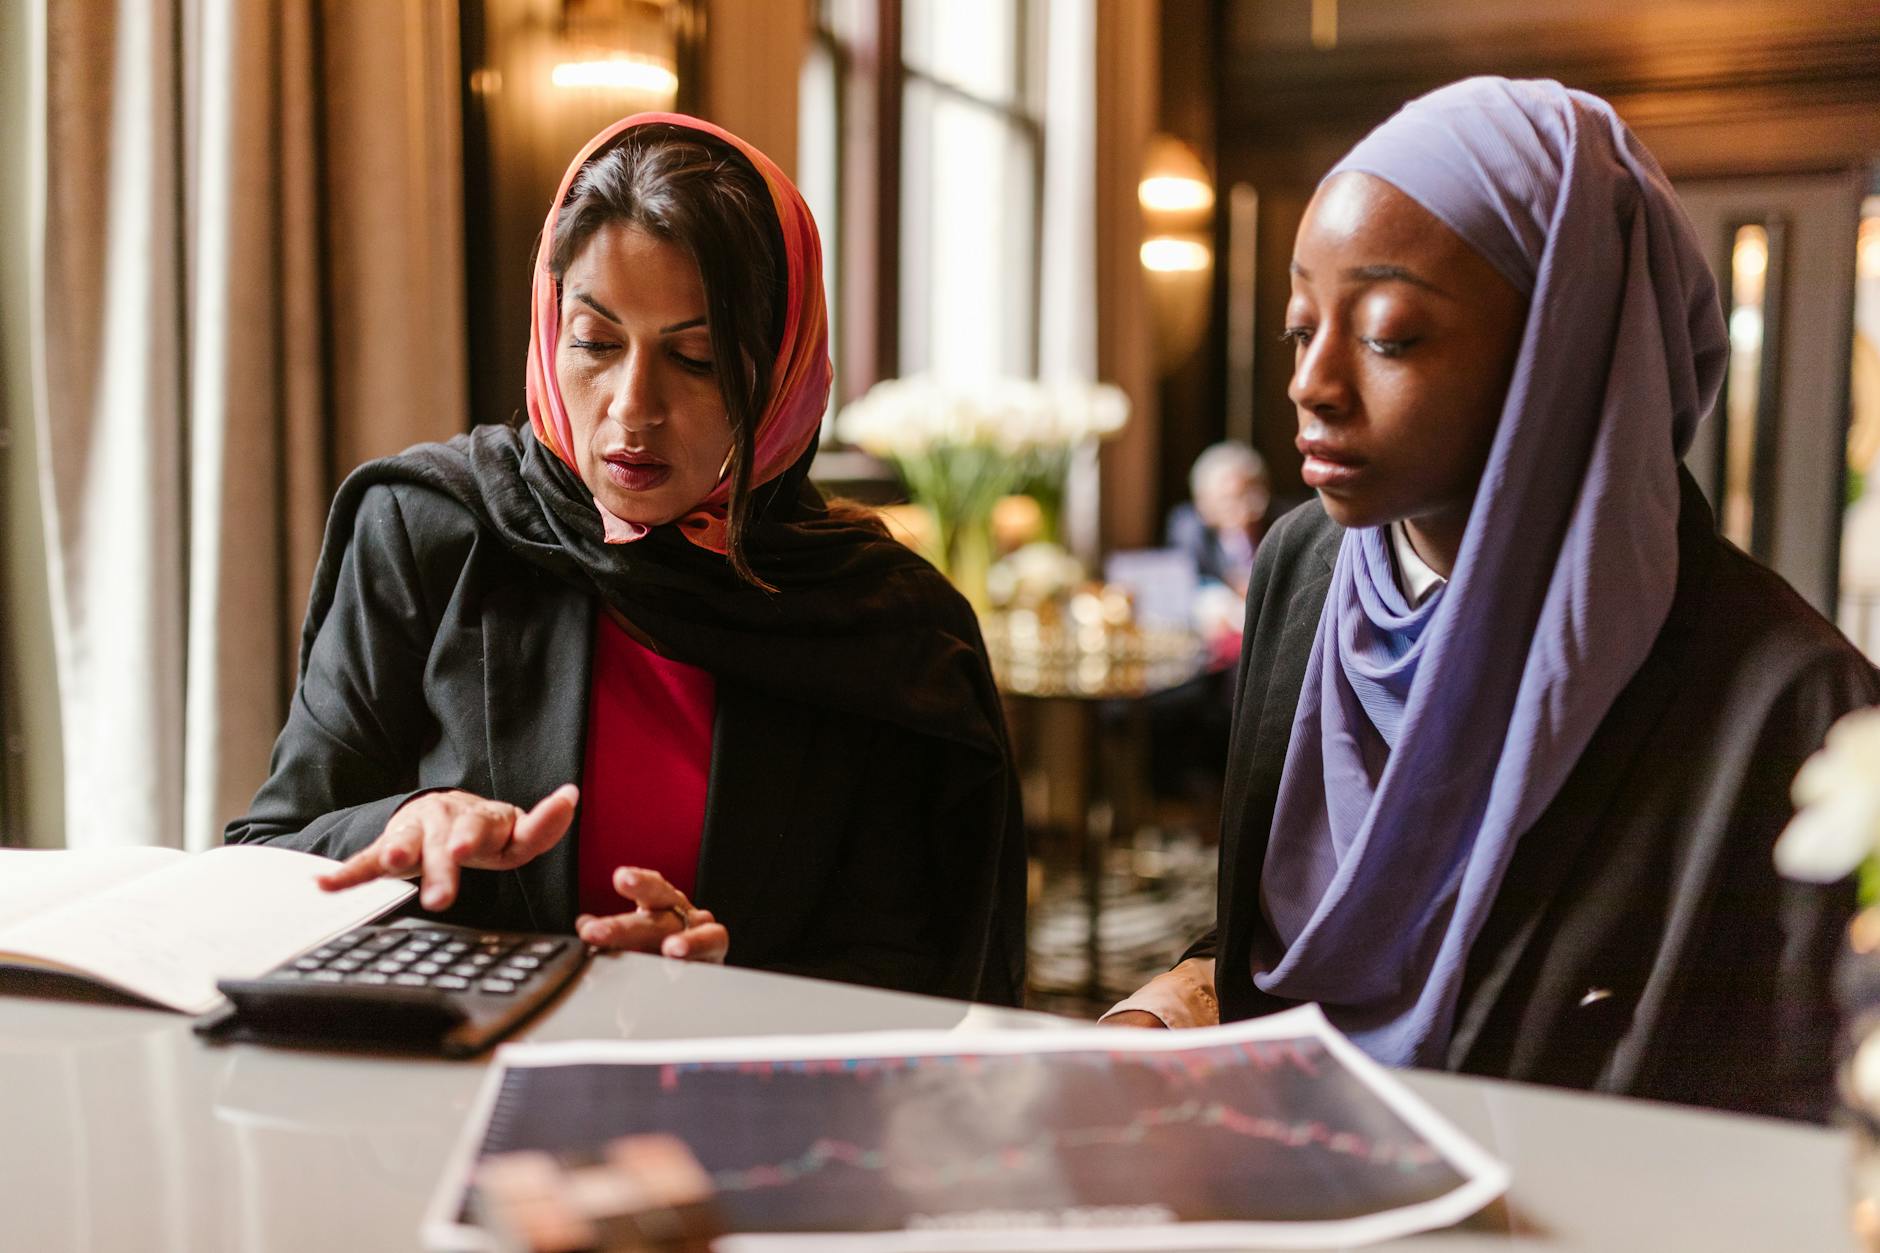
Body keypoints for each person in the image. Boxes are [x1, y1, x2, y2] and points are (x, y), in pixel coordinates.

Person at [1103, 77, 1879, 1121]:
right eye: (1300, 328)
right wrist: (1177, 998)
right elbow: (1302, 918)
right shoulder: (1302, 565)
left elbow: (1799, 1097)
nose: (1312, 382)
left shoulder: (1792, 702)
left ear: (1565, 346)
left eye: (1385, 334)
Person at [225, 114, 1026, 1005]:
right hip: (443, 1105)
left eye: (697, 358)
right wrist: (404, 821)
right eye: (596, 344)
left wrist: (724, 980)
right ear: (548, 324)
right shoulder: (433, 532)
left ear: (785, 368)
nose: (631, 407)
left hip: (738, 1120)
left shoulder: (884, 625)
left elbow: (917, 978)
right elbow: (267, 856)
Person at [1166, 441, 1270, 598]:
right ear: (1203, 502)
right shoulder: (1191, 532)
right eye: (1229, 499)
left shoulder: (1281, 524)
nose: (1246, 507)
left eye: (1252, 493)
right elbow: (1186, 587)